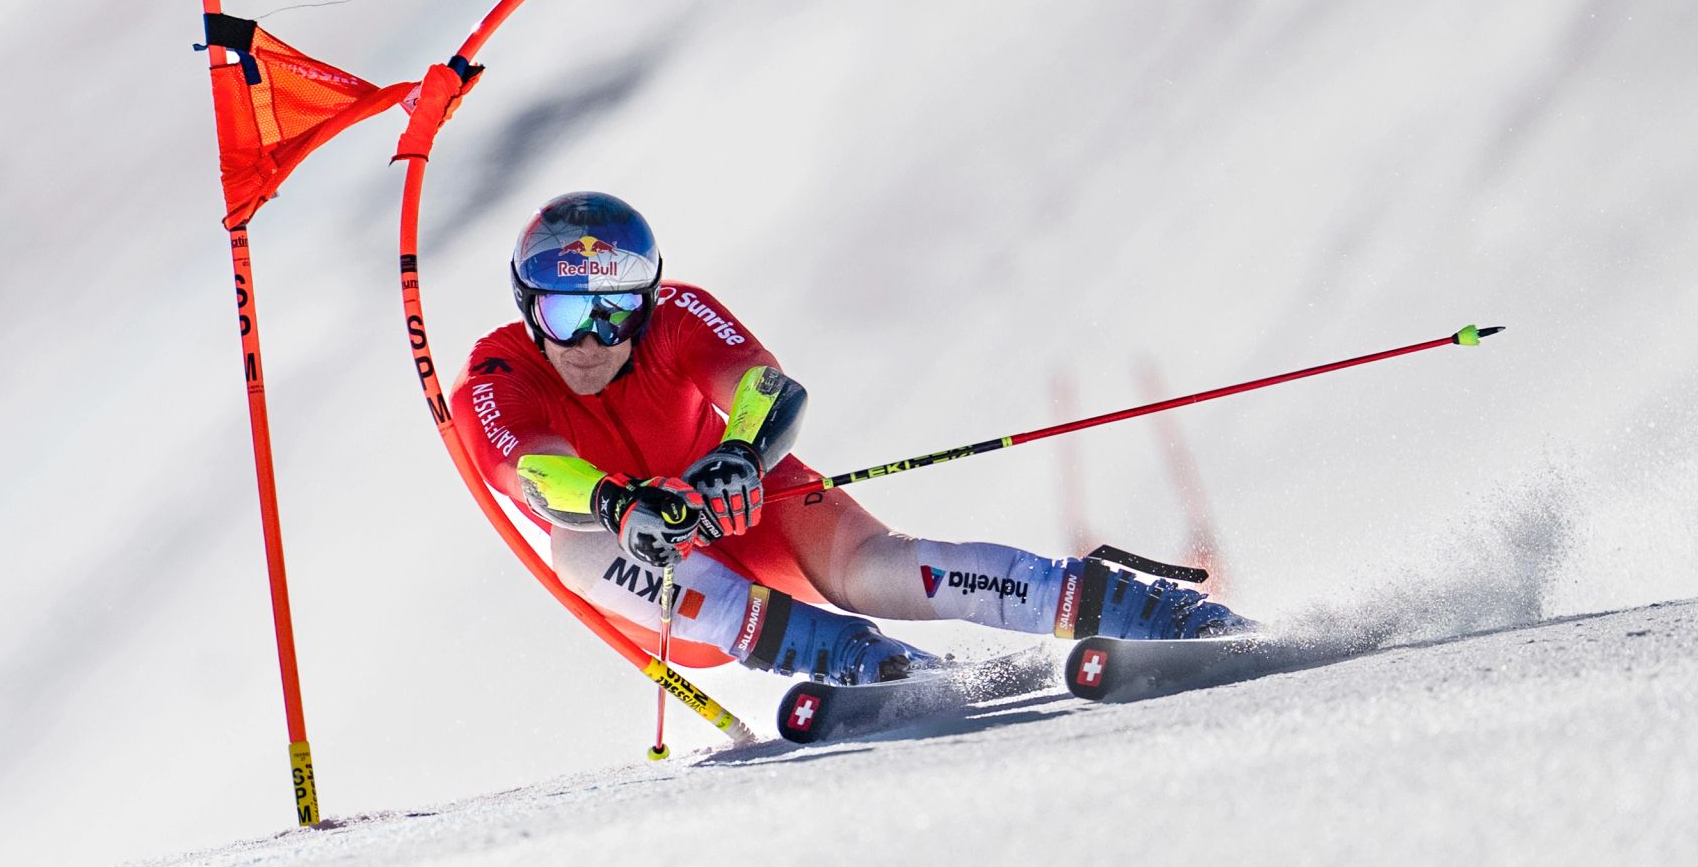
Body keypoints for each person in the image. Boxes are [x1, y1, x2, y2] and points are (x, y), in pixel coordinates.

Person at [451, 191, 1248, 686]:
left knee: (881, 567)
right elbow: (529, 468)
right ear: (529, 307)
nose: (590, 340)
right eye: (565, 314)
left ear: (647, 302)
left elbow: (767, 388)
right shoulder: (497, 374)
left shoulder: (682, 315)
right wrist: (612, 502)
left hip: (743, 504)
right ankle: (852, 659)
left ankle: (1137, 610)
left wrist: (740, 454)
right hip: (665, 586)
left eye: (615, 311)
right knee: (576, 544)